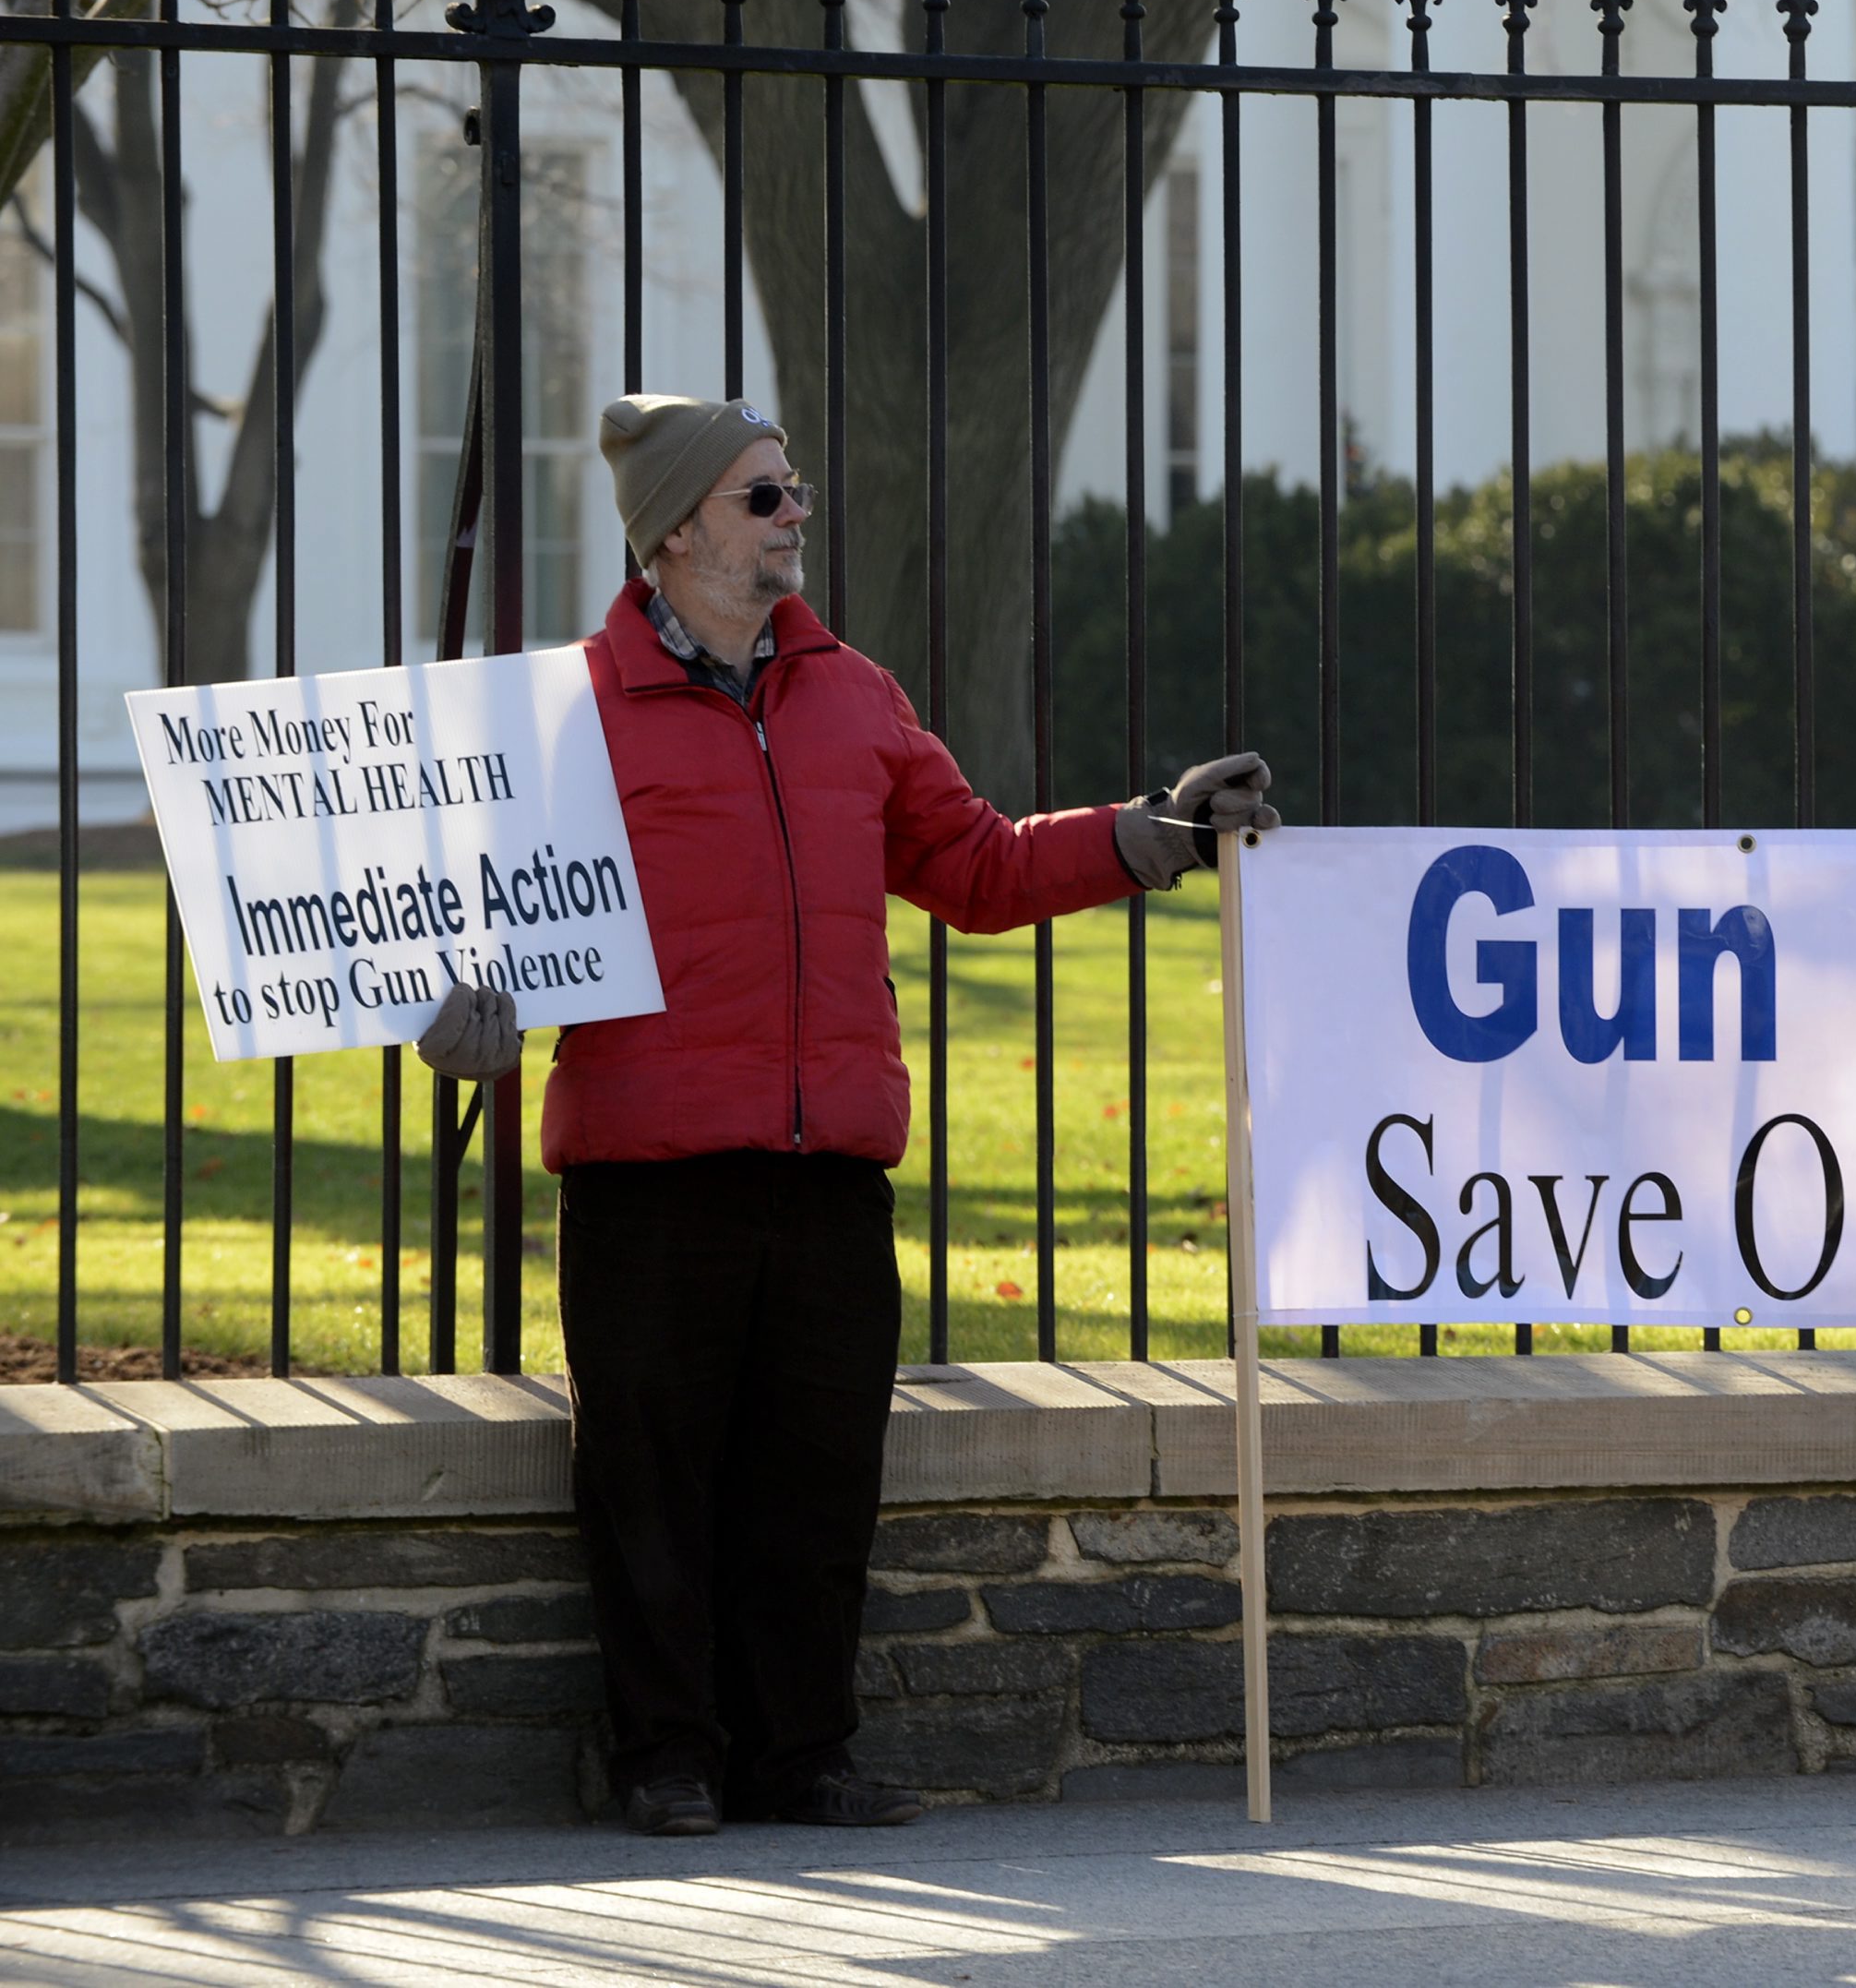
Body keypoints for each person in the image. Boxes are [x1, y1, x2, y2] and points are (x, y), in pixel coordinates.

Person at [414, 393, 1276, 1838]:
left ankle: (799, 1757)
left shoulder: (854, 696)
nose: (794, 513)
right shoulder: (561, 713)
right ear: (679, 527)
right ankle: (669, 1761)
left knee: (816, 1492)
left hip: (829, 1171)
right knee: (652, 1491)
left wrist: (1153, 833)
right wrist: (454, 1021)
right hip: (650, 1175)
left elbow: (981, 865)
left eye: (795, 489)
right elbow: (468, 921)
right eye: (764, 497)